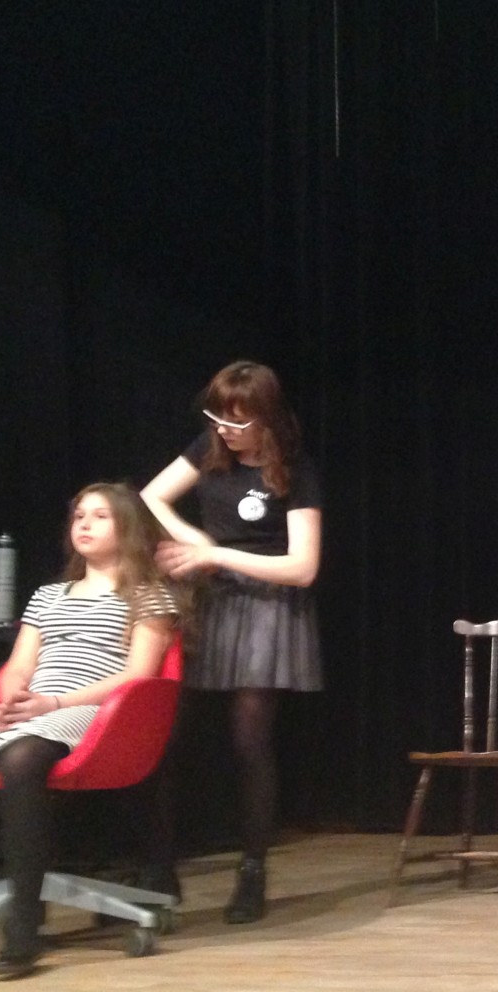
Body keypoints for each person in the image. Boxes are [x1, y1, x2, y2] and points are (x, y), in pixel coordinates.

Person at [141, 361, 322, 924]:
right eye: (217, 417)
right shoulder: (208, 448)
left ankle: (252, 870)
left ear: (266, 417)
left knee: (249, 744)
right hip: (211, 603)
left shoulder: (295, 468)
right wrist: (195, 539)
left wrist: (216, 554)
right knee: (165, 736)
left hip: (267, 607)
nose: (224, 429)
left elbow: (302, 567)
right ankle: (159, 870)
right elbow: (150, 498)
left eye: (237, 421)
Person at [0, 484, 179, 979]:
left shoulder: (147, 595)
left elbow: (138, 675)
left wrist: (54, 703)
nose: (84, 524)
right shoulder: (48, 596)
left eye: (100, 516)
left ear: (127, 528)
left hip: (95, 713)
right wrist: (13, 697)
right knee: (18, 738)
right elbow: (18, 667)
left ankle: (24, 923)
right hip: (33, 706)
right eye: (79, 516)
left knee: (22, 756)